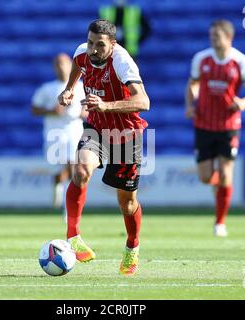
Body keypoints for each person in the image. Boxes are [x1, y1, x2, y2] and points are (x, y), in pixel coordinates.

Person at [58, 19, 150, 275]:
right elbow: (77, 67)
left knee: (127, 204)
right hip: (97, 127)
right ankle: (73, 237)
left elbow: (144, 102)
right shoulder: (81, 54)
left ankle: (132, 246)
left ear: (113, 44)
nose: (93, 49)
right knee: (80, 171)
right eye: (90, 43)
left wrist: (107, 105)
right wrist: (68, 90)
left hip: (126, 134)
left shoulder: (122, 62)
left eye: (100, 45)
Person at [185, 20, 245, 237]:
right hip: (203, 124)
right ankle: (216, 180)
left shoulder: (241, 62)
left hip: (229, 126)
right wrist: (190, 104)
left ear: (229, 38)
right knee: (205, 178)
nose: (212, 39)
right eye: (211, 35)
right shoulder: (201, 59)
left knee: (227, 175)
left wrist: (243, 103)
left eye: (216, 36)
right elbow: (192, 83)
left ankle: (220, 223)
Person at [31, 53, 86, 209]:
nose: (61, 67)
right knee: (62, 167)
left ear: (71, 66)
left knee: (73, 166)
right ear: (54, 68)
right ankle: (58, 186)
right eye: (58, 64)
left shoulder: (81, 86)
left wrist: (85, 112)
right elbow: (34, 109)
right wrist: (51, 111)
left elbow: (88, 107)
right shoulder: (47, 88)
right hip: (54, 133)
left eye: (64, 63)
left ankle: (70, 205)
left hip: (75, 131)